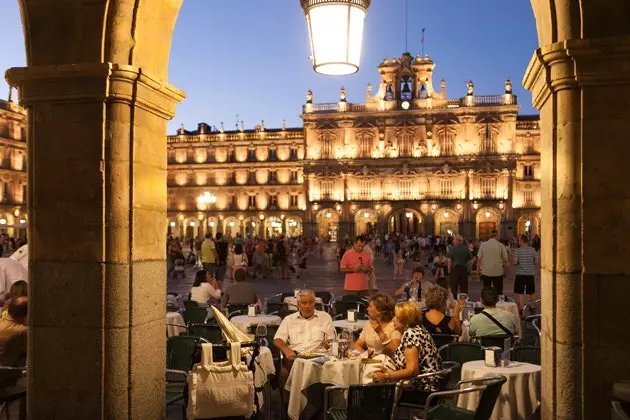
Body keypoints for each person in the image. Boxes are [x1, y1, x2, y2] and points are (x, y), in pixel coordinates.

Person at [372, 301, 442, 400]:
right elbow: (399, 352)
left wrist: (386, 376)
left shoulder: (411, 334)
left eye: (396, 316)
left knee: (374, 391)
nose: (393, 319)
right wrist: (379, 331)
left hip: (423, 391)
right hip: (429, 386)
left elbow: (412, 371)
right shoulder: (417, 329)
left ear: (404, 319)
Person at [273, 290, 335, 363]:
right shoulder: (289, 320)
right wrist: (286, 350)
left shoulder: (325, 317)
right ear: (298, 304)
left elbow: (331, 340)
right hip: (297, 357)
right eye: (304, 303)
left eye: (310, 303)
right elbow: (277, 339)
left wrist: (327, 344)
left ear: (314, 303)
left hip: (319, 356)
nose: (307, 306)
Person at [353, 293, 401, 358]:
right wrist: (365, 353)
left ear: (379, 310)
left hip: (386, 363)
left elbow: (396, 351)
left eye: (370, 306)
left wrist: (379, 331)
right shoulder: (368, 324)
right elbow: (357, 344)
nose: (367, 309)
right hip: (369, 361)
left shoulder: (394, 326)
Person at [476, 230, 509, 294]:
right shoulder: (501, 245)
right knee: (498, 290)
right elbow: (505, 260)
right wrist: (505, 270)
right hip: (498, 271)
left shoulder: (483, 245)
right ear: (496, 235)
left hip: (486, 271)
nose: (499, 237)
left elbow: (479, 259)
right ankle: (498, 302)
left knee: (486, 289)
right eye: (498, 235)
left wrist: (478, 270)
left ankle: (487, 302)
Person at [513, 235, 538, 311]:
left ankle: (521, 308)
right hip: (530, 273)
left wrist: (517, 262)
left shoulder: (518, 251)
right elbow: (536, 261)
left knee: (520, 291)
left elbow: (515, 262)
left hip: (520, 274)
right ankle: (532, 307)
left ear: (522, 241)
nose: (518, 241)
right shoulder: (533, 250)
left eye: (519, 240)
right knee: (531, 291)